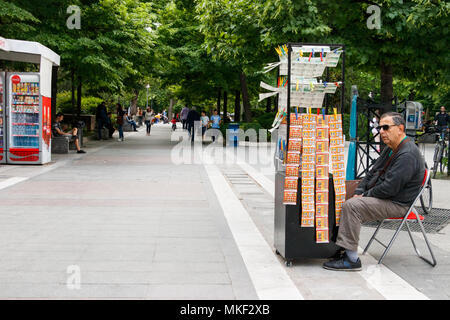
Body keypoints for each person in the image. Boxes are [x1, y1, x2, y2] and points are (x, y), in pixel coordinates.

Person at [323, 112, 425, 271]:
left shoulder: (408, 154)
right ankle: (335, 245)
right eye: (380, 128)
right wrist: (359, 189)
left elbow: (389, 188)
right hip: (384, 195)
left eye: (385, 127)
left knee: (353, 206)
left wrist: (363, 195)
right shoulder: (391, 147)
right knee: (339, 190)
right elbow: (372, 172)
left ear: (400, 128)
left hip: (397, 203)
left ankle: (351, 259)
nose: (381, 131)